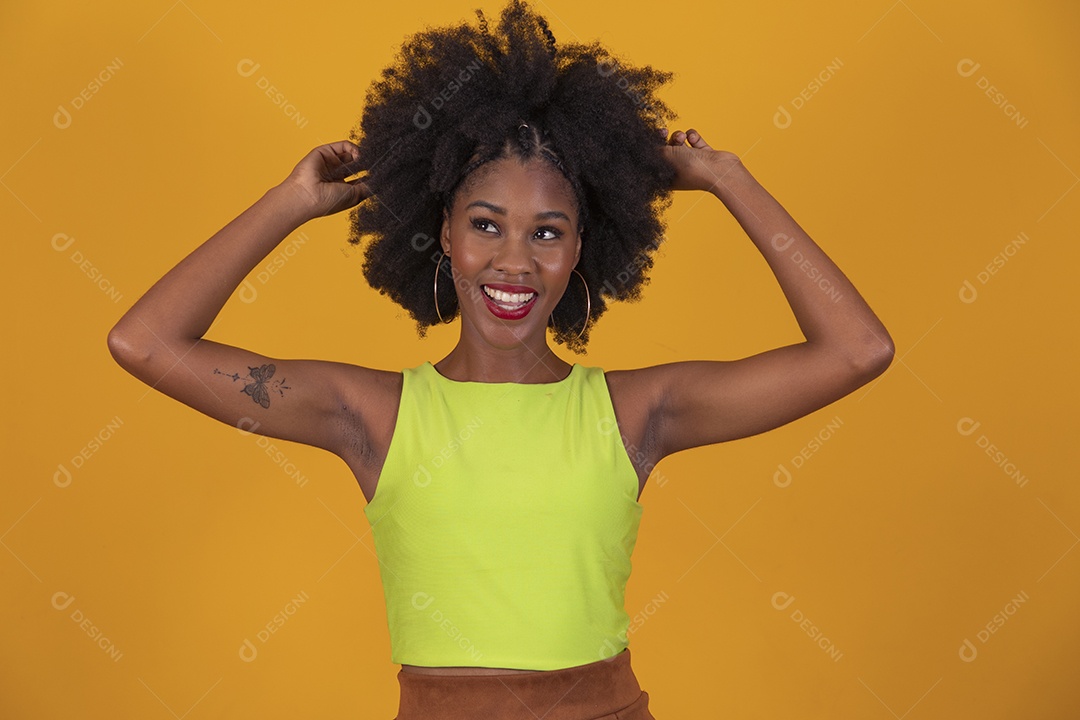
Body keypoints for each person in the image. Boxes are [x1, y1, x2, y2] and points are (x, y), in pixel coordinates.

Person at [107, 1, 894, 717]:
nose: (514, 260)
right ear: (443, 234)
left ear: (582, 248)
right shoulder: (372, 416)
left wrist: (727, 178)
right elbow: (145, 342)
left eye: (548, 231)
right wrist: (292, 201)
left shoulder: (635, 413)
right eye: (486, 225)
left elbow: (858, 350)